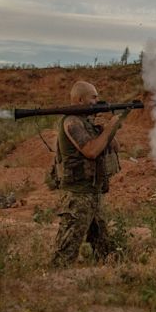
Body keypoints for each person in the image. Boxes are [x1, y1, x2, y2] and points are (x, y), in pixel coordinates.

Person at [51, 81, 126, 267]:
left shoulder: (89, 122)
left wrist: (107, 128)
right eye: (93, 97)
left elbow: (116, 147)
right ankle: (55, 284)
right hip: (78, 194)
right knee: (66, 250)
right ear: (79, 100)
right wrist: (109, 128)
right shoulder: (72, 122)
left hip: (94, 192)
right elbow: (91, 151)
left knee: (103, 247)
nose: (97, 100)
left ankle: (104, 279)